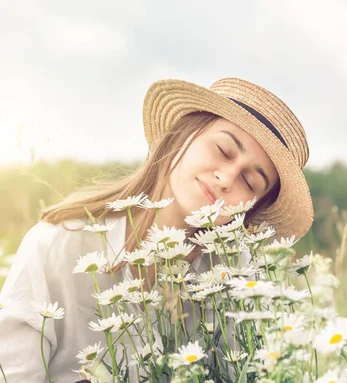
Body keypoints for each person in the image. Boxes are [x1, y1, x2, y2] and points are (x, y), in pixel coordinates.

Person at [0, 78, 314, 382]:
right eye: (223, 149)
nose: (227, 178)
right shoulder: (56, 246)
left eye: (250, 182)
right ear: (184, 133)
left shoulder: (238, 285)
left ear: (251, 209)